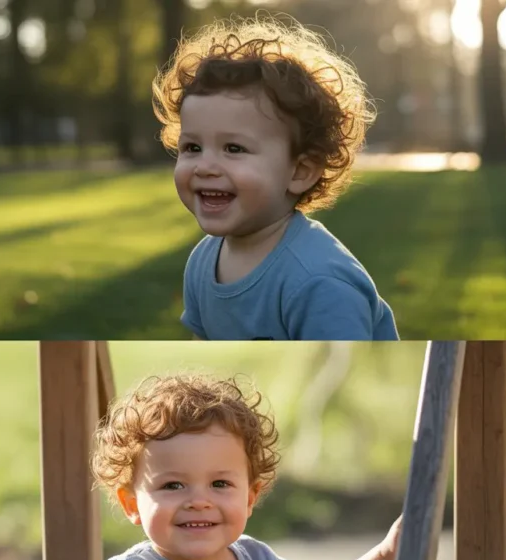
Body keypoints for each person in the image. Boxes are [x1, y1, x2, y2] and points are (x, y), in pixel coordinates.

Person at [56, 373, 401, 560]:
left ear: (249, 498)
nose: (199, 501)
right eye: (172, 485)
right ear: (131, 503)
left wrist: (388, 557)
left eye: (220, 484)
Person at [151, 14, 399, 341]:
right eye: (193, 147)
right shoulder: (202, 262)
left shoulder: (318, 280)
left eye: (234, 148)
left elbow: (347, 372)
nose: (205, 166)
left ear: (300, 172)